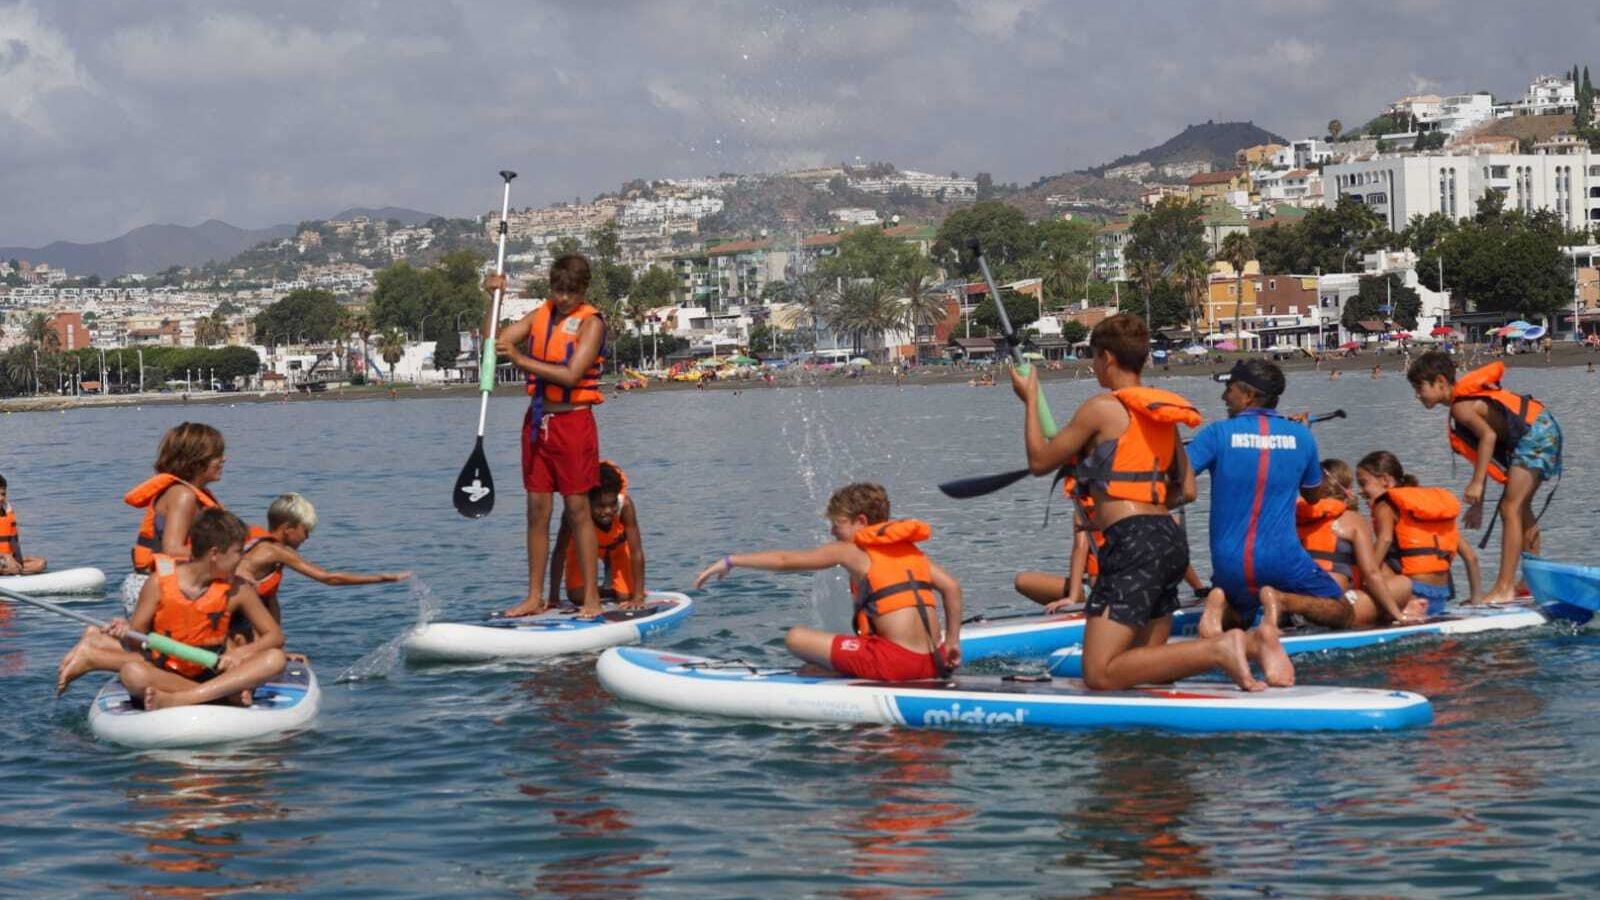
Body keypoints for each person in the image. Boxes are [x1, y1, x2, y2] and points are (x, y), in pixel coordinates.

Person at [1011, 314, 1284, 692]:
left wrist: (1029, 399)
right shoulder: (1159, 413)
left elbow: (1040, 462)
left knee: (1100, 673)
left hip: (1132, 544)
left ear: (1107, 357)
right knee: (1144, 669)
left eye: (1094, 357)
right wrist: (1140, 502)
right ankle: (1254, 644)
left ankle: (1221, 648)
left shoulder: (1101, 408)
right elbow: (1188, 489)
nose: (1094, 366)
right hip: (1168, 541)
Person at [693, 483, 960, 682]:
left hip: (895, 665)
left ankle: (843, 673)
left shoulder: (849, 550)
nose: (833, 531)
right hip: (933, 662)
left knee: (796, 638)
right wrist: (951, 642)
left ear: (861, 521)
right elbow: (952, 587)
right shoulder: (911, 552)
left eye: (838, 524)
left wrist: (731, 561)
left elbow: (785, 560)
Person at [1188, 359, 1350, 680]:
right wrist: (1302, 438)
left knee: (1240, 616)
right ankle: (1283, 600)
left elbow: (1176, 478)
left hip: (1229, 562)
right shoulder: (1301, 437)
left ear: (1248, 395)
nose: (1224, 397)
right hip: (1282, 560)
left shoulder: (1216, 434)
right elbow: (1314, 495)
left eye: (1229, 389)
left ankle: (1220, 604)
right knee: (1344, 611)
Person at [55, 509, 286, 710]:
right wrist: (125, 630)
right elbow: (137, 641)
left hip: (213, 671)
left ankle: (182, 699)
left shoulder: (239, 589)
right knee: (132, 674)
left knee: (275, 659)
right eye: (238, 552)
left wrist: (238, 654)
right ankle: (221, 696)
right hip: (168, 674)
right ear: (215, 554)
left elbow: (274, 636)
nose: (242, 559)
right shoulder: (158, 583)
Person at [484, 255, 608, 619]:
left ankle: (591, 598)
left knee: (577, 509)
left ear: (583, 290)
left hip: (574, 424)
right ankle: (534, 597)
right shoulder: (540, 314)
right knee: (536, 511)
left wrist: (520, 360)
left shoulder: (592, 323)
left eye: (571, 292)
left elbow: (571, 375)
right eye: (558, 290)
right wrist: (492, 300)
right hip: (538, 422)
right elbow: (494, 342)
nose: (564, 298)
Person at [1407, 353, 1560, 604]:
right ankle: (1530, 582)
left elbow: (1488, 437)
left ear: (1441, 382)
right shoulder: (1461, 406)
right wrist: (1478, 503)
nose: (1417, 395)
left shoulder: (1460, 407)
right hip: (1541, 429)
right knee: (1520, 508)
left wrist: (1477, 483)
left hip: (1536, 435)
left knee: (1510, 508)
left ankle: (1504, 588)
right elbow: (1484, 453)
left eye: (1419, 387)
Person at [231, 493, 411, 645]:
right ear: (287, 528)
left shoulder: (255, 540)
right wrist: (380, 578)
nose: (307, 537)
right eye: (305, 530)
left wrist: (277, 644)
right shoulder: (275, 551)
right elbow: (329, 578)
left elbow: (270, 600)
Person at [1355, 451, 1481, 615]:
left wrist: (1363, 581)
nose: (1360, 491)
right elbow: (1471, 557)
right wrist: (1476, 600)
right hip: (1440, 597)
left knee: (1364, 558)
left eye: (1363, 483)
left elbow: (1384, 541)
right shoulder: (1427, 507)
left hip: (1411, 593)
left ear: (1385, 480)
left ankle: (1400, 609)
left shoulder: (1385, 505)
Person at [1295, 459, 1413, 627]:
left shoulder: (1293, 518)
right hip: (1332, 609)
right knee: (1403, 584)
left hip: (1297, 605)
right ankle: (1393, 613)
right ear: (1347, 489)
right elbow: (1371, 573)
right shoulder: (1353, 520)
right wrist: (1398, 615)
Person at [122, 423, 226, 607]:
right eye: (217, 455)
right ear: (196, 461)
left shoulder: (195, 494)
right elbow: (172, 549)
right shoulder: (182, 496)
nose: (223, 459)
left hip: (170, 582)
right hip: (154, 589)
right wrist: (225, 557)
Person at [547, 462, 645, 609]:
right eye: (601, 506)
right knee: (577, 597)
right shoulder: (573, 512)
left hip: (616, 547)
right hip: (581, 549)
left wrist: (638, 596)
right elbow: (560, 551)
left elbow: (636, 551)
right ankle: (606, 588)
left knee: (625, 596)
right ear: (587, 501)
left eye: (612, 504)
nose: (608, 511)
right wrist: (553, 598)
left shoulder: (625, 506)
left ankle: (615, 582)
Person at [0, 474, 48, 576]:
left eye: (3, 494)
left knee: (41, 563)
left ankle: (15, 571)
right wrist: (5, 557)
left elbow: (13, 543)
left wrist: (18, 560)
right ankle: (12, 571)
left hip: (7, 561)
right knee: (11, 566)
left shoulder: (7, 511)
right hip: (4, 560)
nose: (1, 498)